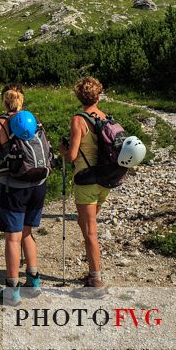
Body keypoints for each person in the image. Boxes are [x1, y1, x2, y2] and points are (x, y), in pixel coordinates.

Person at [0, 84, 47, 305]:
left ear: (4, 101)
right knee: (27, 233)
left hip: (13, 187)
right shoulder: (34, 121)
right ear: (21, 100)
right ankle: (34, 281)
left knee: (12, 237)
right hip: (38, 183)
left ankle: (12, 292)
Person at [59, 76, 110, 293]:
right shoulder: (105, 117)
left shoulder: (78, 120)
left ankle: (96, 280)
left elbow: (71, 155)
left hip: (86, 179)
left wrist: (62, 149)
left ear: (79, 97)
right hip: (105, 180)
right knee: (85, 224)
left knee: (89, 231)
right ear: (98, 95)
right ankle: (92, 269)